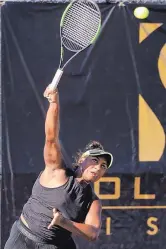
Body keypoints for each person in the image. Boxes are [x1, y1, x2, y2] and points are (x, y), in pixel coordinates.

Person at [4, 85, 113, 249]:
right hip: (23, 239)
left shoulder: (93, 201)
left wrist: (64, 222)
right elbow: (51, 138)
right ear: (82, 159)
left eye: (103, 166)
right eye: (95, 161)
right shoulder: (58, 172)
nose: (98, 167)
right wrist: (54, 103)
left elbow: (92, 233)